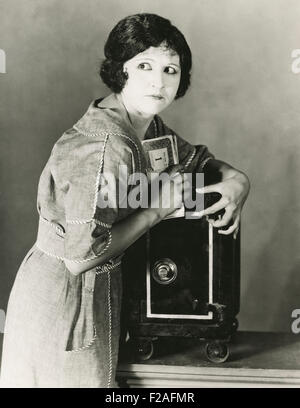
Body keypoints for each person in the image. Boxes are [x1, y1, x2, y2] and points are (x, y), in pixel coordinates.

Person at [0, 13, 250, 388]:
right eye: (144, 66)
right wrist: (157, 209)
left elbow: (192, 158)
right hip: (63, 300)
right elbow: (80, 258)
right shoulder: (103, 144)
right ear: (120, 71)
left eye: (171, 69)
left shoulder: (144, 122)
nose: (158, 80)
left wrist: (238, 180)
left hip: (102, 290)